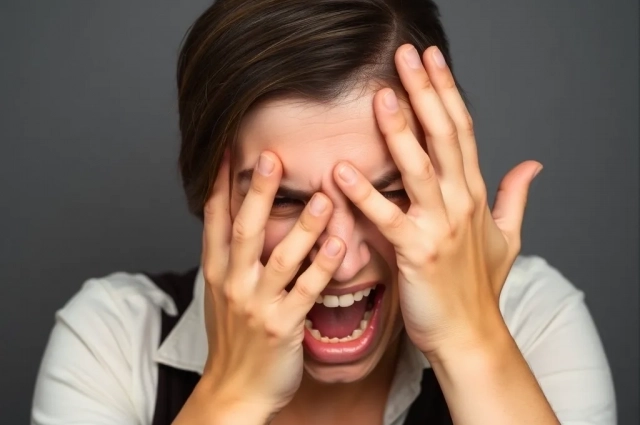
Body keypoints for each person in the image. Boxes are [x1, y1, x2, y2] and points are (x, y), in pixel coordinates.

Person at [31, 0, 616, 424]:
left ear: (448, 186)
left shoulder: (533, 319)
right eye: (285, 199)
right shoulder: (114, 339)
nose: (341, 261)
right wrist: (233, 393)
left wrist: (470, 340)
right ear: (208, 191)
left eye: (388, 195)